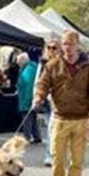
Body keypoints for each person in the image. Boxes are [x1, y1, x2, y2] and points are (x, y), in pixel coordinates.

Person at [31, 30, 89, 176]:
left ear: (78, 44)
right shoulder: (53, 64)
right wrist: (38, 96)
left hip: (81, 119)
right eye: (64, 43)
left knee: (77, 160)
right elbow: (42, 84)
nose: (67, 47)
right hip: (59, 118)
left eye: (71, 43)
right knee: (57, 157)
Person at [38, 38, 59, 167]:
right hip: (46, 101)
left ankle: (55, 154)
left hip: (59, 101)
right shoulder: (43, 63)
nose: (51, 50)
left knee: (56, 130)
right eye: (49, 47)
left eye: (54, 48)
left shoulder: (63, 63)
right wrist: (37, 96)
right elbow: (39, 81)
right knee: (51, 130)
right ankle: (50, 155)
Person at [16, 52, 41, 144]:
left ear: (23, 60)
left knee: (27, 118)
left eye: (18, 61)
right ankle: (37, 137)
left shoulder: (29, 70)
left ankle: (26, 138)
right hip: (28, 97)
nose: (17, 63)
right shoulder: (28, 68)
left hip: (26, 98)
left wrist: (27, 100)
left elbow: (29, 86)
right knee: (33, 118)